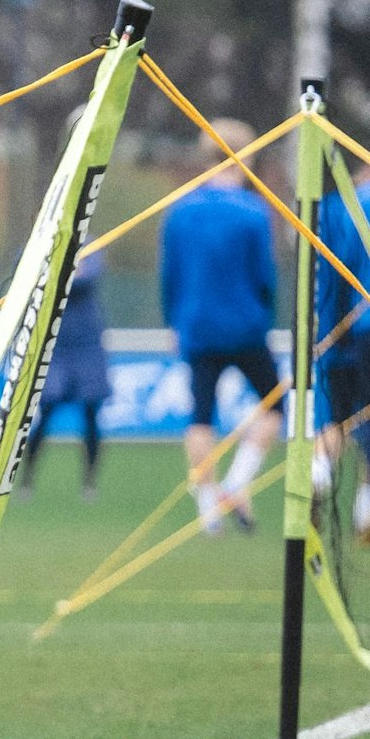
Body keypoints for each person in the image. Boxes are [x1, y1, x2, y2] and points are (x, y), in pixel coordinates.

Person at [159, 117, 279, 535]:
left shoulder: (180, 210)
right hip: (245, 327)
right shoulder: (252, 211)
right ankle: (237, 481)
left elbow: (169, 275)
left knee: (201, 417)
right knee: (276, 404)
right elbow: (264, 275)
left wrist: (175, 320)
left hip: (197, 327)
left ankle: (209, 506)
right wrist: (264, 312)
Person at [18, 251, 111, 501]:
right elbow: (37, 278)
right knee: (45, 410)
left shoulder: (90, 244)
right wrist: (69, 271)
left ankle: (90, 483)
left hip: (87, 343)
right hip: (53, 344)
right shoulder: (42, 242)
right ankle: (25, 479)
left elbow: (85, 278)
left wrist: (60, 271)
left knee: (91, 412)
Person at [314, 155, 370, 540]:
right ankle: (365, 512)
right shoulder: (352, 205)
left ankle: (317, 479)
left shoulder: (334, 207)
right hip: (359, 323)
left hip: (339, 329)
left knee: (335, 418)